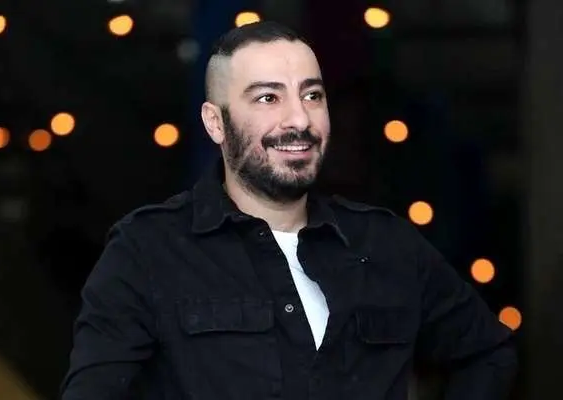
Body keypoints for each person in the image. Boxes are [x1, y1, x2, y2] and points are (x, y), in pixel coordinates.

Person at [60, 21, 517, 399]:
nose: (299, 119)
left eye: (312, 95)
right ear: (215, 123)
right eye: (268, 97)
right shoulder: (147, 250)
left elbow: (488, 353)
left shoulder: (386, 244)